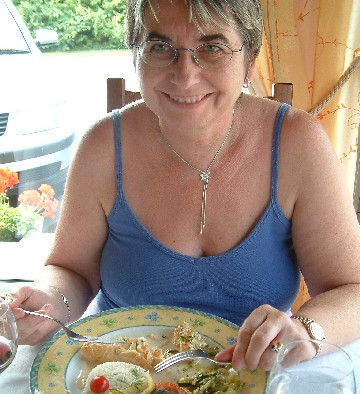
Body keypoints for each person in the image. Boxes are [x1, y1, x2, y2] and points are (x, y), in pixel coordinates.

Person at [8, 0, 360, 371]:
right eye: (160, 47)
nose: (185, 75)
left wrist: (306, 331)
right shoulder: (101, 147)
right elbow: (72, 271)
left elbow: (352, 290)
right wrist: (47, 301)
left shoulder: (297, 143)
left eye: (212, 47)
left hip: (256, 381)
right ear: (135, 55)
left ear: (250, 60)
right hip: (123, 385)